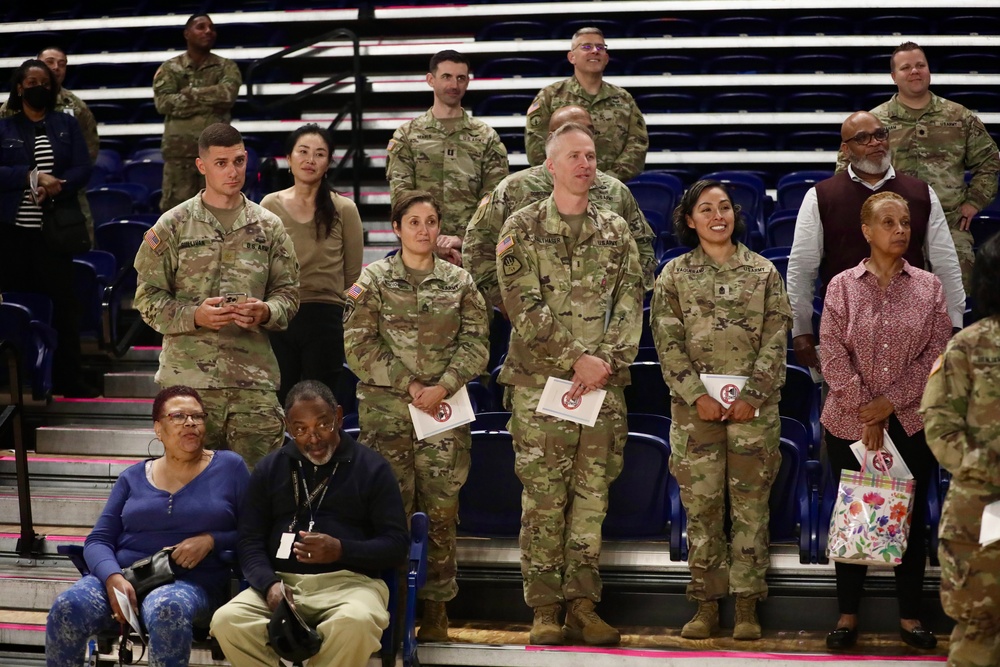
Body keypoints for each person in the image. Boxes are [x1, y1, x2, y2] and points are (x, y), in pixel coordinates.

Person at [497, 122, 642, 646]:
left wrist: (602, 362)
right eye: (575, 156)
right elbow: (522, 305)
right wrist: (576, 358)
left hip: (602, 387)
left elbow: (630, 303)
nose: (585, 164)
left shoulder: (615, 229)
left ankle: (582, 603)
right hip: (540, 387)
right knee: (543, 499)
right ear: (550, 166)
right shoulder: (520, 227)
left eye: (591, 156)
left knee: (591, 499)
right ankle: (544, 607)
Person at [343, 191, 489, 641]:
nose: (423, 230)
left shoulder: (461, 282)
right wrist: (411, 385)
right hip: (388, 416)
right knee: (389, 513)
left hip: (442, 415)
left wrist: (442, 386)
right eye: (414, 222)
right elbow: (358, 346)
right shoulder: (372, 280)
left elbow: (478, 343)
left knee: (442, 511)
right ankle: (386, 606)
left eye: (430, 222)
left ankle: (437, 609)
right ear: (397, 228)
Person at [651, 179, 791, 640]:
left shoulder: (764, 272)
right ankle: (706, 604)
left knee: (752, 510)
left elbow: (776, 340)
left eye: (725, 207)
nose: (718, 216)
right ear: (690, 220)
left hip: (755, 412)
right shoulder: (673, 275)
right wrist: (698, 396)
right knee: (703, 509)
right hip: (696, 414)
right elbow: (667, 343)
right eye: (706, 209)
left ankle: (748, 605)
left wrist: (752, 396)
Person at [819, 191, 952, 651]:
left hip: (911, 423)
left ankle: (911, 617)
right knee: (853, 515)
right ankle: (847, 615)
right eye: (889, 222)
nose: (900, 230)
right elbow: (831, 352)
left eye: (906, 223)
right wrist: (865, 412)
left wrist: (889, 405)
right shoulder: (841, 286)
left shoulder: (929, 287)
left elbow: (936, 353)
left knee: (909, 523)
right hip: (847, 423)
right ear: (867, 232)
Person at [45, 385, 250, 667]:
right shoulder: (132, 477)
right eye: (178, 416)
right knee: (67, 606)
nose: (190, 423)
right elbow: (99, 540)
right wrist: (112, 577)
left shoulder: (230, 467)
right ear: (158, 428)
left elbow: (254, 533)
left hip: (191, 582)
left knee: (167, 607)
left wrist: (212, 540)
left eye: (197, 416)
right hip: (127, 576)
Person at [210, 380, 409, 667]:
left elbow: (396, 545)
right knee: (227, 621)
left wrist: (341, 550)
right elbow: (249, 541)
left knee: (355, 622)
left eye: (323, 425)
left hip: (350, 585)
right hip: (282, 584)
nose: (313, 438)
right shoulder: (270, 468)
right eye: (300, 429)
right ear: (288, 427)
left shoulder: (373, 468)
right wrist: (270, 586)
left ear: (339, 417)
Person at [134, 123, 299, 468]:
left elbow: (289, 295)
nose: (233, 171)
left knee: (258, 492)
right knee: (188, 489)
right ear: (202, 166)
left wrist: (266, 311)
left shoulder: (269, 226)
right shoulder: (173, 225)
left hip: (252, 383)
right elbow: (147, 299)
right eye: (221, 163)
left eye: (238, 161)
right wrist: (195, 316)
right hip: (188, 386)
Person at [789, 110, 965, 370]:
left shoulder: (921, 193)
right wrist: (801, 329)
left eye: (880, 134)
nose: (875, 143)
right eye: (863, 138)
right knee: (848, 407)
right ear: (846, 149)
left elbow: (945, 263)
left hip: (913, 334)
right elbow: (802, 269)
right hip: (845, 337)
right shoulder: (820, 197)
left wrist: (954, 323)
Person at [838, 41, 999, 292]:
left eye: (920, 65)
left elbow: (990, 160)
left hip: (948, 225)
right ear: (894, 76)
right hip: (889, 229)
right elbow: (845, 170)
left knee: (958, 295)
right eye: (906, 67)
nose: (914, 71)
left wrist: (975, 200)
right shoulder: (873, 122)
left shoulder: (959, 117)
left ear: (928, 70)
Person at [464, 105, 657, 305]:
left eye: (587, 130)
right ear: (551, 139)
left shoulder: (616, 191)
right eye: (569, 130)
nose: (579, 135)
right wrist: (503, 299)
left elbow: (643, 249)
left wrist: (625, 299)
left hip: (599, 315)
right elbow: (477, 245)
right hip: (531, 314)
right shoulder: (514, 188)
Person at [921, 232, 1000, 667]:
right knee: (979, 630)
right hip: (983, 510)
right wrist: (984, 467)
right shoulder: (968, 346)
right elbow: (939, 425)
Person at [0, 59, 95, 397]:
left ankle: (70, 379)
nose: (39, 86)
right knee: (16, 307)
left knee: (64, 308)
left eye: (45, 82)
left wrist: (58, 185)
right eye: (32, 81)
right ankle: (18, 381)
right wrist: (30, 177)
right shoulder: (5, 127)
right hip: (13, 234)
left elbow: (84, 167)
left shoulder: (66, 124)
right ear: (19, 87)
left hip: (55, 232)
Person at [261, 124, 364, 405]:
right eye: (303, 152)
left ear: (328, 163)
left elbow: (353, 274)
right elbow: (260, 265)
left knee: (320, 404)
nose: (310, 160)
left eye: (319, 154)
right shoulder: (269, 205)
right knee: (281, 402)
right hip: (281, 315)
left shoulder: (344, 208)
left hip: (326, 317)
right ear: (289, 158)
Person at [386, 50, 508, 265]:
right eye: (447, 77)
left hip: (473, 253)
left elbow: (495, 198)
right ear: (430, 80)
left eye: (461, 78)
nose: (454, 84)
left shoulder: (486, 137)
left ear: (468, 82)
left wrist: (463, 239)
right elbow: (402, 197)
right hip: (421, 250)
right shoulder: (407, 135)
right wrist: (431, 240)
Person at [524, 28, 647, 183]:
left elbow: (638, 145)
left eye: (600, 47)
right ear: (572, 57)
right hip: (562, 188)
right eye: (586, 47)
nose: (595, 51)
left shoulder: (623, 99)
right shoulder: (550, 96)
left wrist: (608, 180)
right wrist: (563, 178)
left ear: (606, 58)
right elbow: (536, 146)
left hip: (611, 190)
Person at [154, 13, 242, 212]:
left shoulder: (227, 67)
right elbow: (163, 103)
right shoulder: (170, 68)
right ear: (187, 33)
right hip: (179, 157)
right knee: (177, 217)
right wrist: (211, 99)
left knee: (218, 213)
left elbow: (228, 96)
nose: (208, 31)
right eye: (201, 27)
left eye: (211, 28)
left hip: (216, 157)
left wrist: (190, 94)